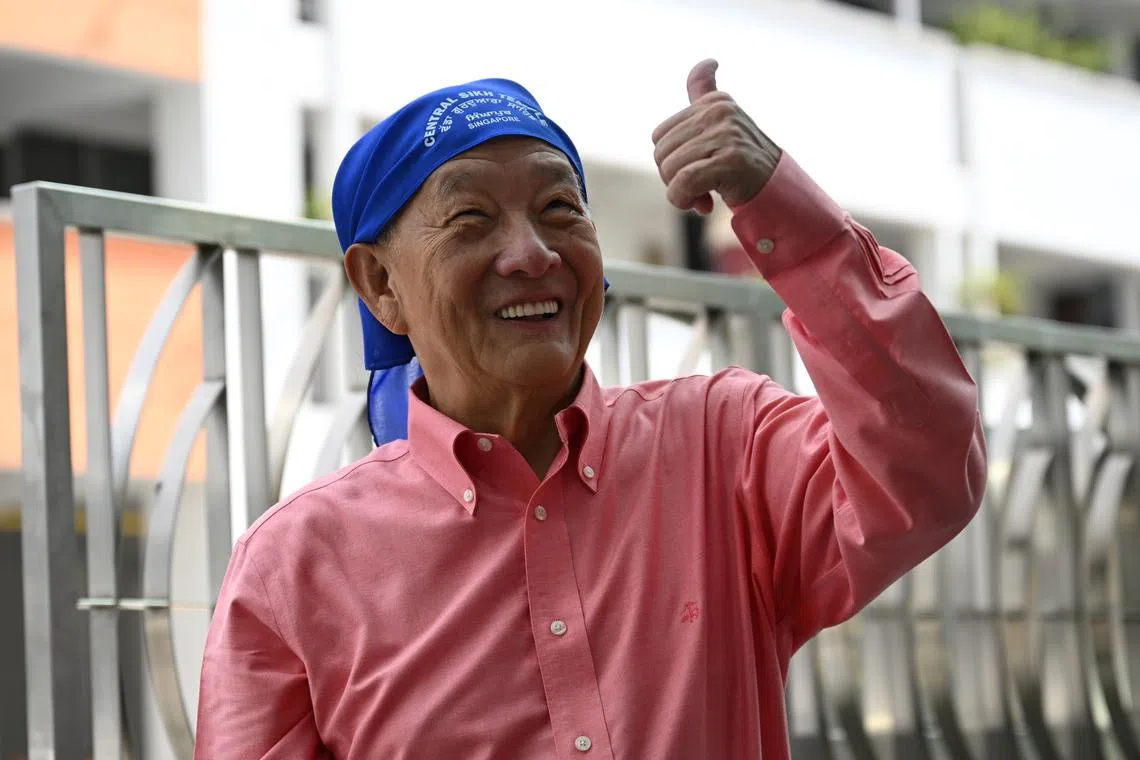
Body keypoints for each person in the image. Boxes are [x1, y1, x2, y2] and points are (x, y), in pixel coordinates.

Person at [194, 59, 986, 759]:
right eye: (471, 219)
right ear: (380, 285)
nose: (532, 253)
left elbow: (926, 468)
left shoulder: (723, 445)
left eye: (560, 210)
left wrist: (782, 210)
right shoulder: (293, 567)